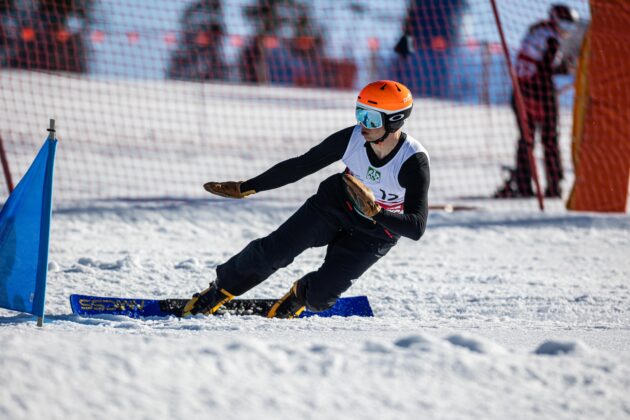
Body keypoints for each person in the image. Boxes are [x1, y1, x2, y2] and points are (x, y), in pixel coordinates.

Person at [182, 80, 430, 319]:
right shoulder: (353, 138)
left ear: (394, 121)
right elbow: (301, 165)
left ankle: (300, 294)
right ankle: (218, 291)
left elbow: (416, 228)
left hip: (376, 231)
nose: (362, 123)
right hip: (335, 205)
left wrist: (376, 213)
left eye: (372, 119)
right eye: (360, 113)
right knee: (275, 251)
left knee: (320, 299)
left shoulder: (413, 162)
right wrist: (246, 187)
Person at [495, 4, 579, 198]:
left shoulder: (535, 32)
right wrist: (567, 69)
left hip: (520, 93)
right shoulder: (551, 38)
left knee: (526, 140)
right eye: (566, 25)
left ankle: (524, 185)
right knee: (549, 140)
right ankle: (554, 187)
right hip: (540, 94)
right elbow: (545, 69)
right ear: (556, 20)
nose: (568, 30)